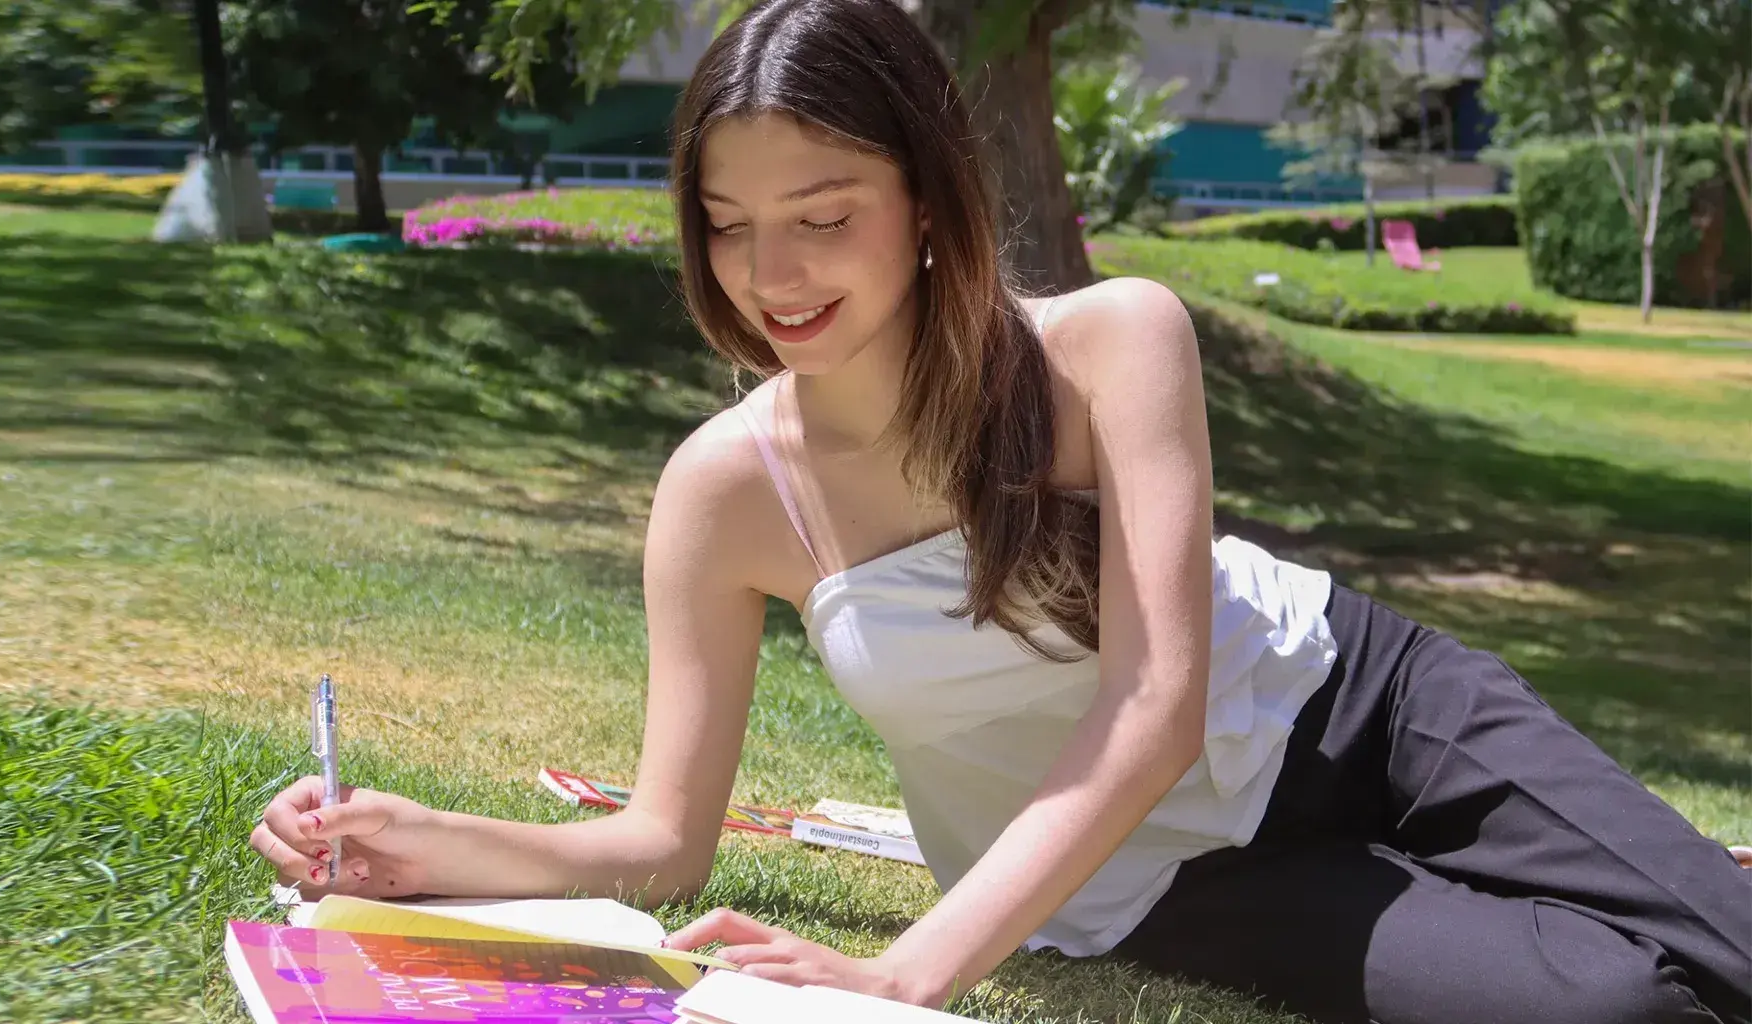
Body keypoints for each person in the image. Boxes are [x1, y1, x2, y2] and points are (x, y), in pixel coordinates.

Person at [248, 2, 1752, 1021]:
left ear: (926, 199)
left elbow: (1159, 700)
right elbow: (660, 844)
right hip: (1157, 880)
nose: (773, 274)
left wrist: (907, 974)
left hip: (1357, 705)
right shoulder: (723, 489)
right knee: (1624, 1005)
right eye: (728, 224)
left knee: (1728, 946)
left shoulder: (1114, 340)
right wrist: (419, 839)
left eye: (824, 216)